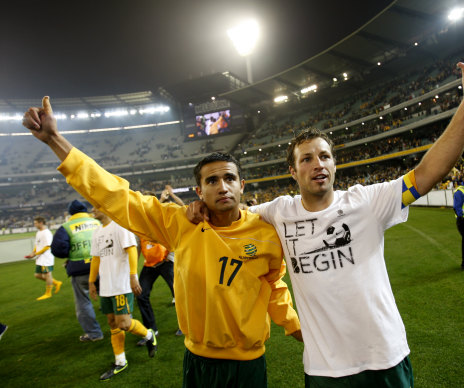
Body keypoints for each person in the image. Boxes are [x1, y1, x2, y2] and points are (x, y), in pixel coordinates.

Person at [187, 62, 464, 386]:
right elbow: (232, 210)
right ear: (293, 172)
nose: (317, 164)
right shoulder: (278, 212)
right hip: (325, 370)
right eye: (306, 159)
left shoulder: (366, 202)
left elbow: (428, 173)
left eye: (324, 156)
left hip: (385, 358)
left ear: (335, 165)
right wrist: (200, 206)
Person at [22, 99, 302, 388]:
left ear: (242, 185)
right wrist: (55, 139)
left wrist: (299, 329)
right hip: (199, 359)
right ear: (199, 191)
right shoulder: (180, 223)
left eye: (229, 178)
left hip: (249, 363)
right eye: (212, 180)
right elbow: (118, 197)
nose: (222, 186)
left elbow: (275, 289)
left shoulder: (265, 233)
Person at [89, 208, 157, 381]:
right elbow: (96, 258)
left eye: (96, 206)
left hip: (121, 285)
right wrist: (91, 281)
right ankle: (120, 361)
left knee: (124, 323)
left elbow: (132, 250)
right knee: (112, 323)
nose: (93, 210)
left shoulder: (120, 227)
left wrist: (133, 275)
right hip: (106, 286)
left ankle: (149, 335)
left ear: (105, 208)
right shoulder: (97, 232)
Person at [51, 200, 104, 342]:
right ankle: (123, 324)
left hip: (81, 269)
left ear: (70, 212)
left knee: (83, 303)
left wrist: (70, 254)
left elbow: (57, 249)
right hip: (103, 266)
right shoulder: (97, 221)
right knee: (110, 295)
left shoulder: (67, 226)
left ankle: (94, 334)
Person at [135, 189, 181, 345]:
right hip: (149, 265)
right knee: (141, 295)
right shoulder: (138, 221)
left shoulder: (160, 215)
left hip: (165, 262)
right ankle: (151, 329)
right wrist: (134, 270)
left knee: (179, 294)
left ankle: (185, 325)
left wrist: (170, 255)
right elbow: (138, 245)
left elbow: (174, 234)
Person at [25, 216, 63, 300]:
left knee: (47, 274)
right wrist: (33, 252)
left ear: (41, 223)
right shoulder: (38, 232)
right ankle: (56, 283)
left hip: (46, 257)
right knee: (37, 275)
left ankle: (48, 293)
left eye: (35, 223)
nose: (34, 224)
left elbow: (47, 246)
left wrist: (35, 254)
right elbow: (37, 244)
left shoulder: (46, 233)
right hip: (40, 257)